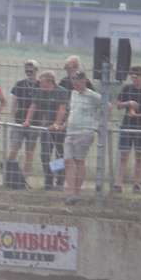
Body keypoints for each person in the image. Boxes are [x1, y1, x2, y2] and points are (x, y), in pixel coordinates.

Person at [114, 66, 141, 193]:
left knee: (138, 155)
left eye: (136, 77)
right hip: (127, 125)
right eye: (132, 77)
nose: (134, 80)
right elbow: (118, 105)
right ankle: (118, 184)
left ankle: (137, 184)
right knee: (123, 155)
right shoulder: (127, 89)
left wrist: (140, 115)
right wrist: (128, 103)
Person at [63, 70, 104, 205]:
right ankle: (70, 192)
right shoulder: (73, 94)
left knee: (79, 160)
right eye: (73, 80)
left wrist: (97, 123)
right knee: (67, 160)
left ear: (84, 81)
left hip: (85, 132)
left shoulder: (93, 96)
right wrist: (64, 124)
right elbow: (72, 111)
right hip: (70, 131)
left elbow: (107, 107)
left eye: (78, 80)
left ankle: (76, 192)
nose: (75, 83)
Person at [25, 70, 69, 189]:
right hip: (45, 127)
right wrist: (27, 121)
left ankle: (59, 180)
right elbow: (33, 106)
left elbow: (62, 109)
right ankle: (49, 178)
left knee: (59, 155)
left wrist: (56, 124)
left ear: (50, 82)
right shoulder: (39, 91)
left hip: (60, 128)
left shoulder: (61, 92)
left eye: (42, 82)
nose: (39, 84)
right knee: (45, 154)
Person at [56, 57, 92, 187]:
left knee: (77, 157)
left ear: (76, 67)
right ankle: (60, 178)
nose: (67, 70)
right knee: (61, 153)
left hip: (79, 125)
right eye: (66, 68)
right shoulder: (63, 81)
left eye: (69, 68)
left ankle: (76, 182)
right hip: (64, 122)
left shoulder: (86, 83)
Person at [8, 59, 41, 172]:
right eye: (27, 70)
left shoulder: (40, 85)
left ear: (36, 70)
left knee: (29, 151)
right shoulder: (20, 84)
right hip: (19, 121)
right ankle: (9, 172)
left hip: (35, 122)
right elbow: (14, 102)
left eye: (31, 70)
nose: (29, 72)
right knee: (14, 148)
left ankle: (25, 175)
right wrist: (12, 117)